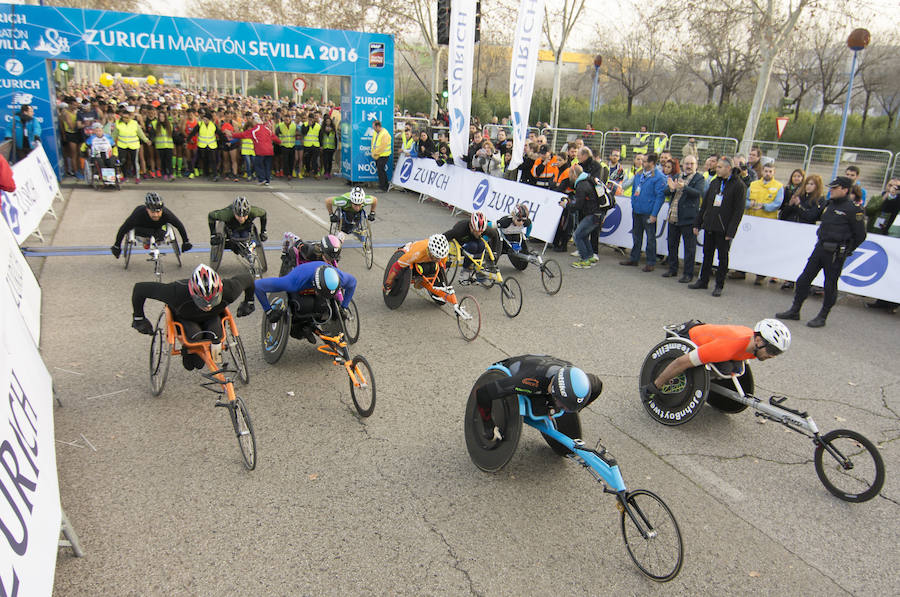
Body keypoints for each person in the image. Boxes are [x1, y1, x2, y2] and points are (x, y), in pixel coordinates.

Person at [776, 176, 866, 328]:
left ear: (845, 190)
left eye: (835, 188)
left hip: (835, 252)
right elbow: (811, 216)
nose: (831, 190)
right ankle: (795, 310)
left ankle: (823, 316)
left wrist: (847, 250)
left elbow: (860, 235)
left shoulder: (853, 209)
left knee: (829, 285)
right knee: (804, 279)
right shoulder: (829, 204)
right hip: (820, 247)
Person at [130, 264, 255, 370]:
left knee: (216, 336)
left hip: (212, 317)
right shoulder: (175, 292)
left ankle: (215, 359)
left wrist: (249, 302)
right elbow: (140, 289)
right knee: (194, 343)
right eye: (202, 301)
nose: (208, 305)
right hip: (186, 318)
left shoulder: (230, 289)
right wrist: (139, 318)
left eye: (213, 300)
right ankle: (190, 352)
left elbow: (248, 279)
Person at [640, 319, 791, 402]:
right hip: (690, 336)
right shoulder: (726, 347)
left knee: (731, 368)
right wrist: (654, 386)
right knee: (724, 368)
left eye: (777, 353)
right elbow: (681, 362)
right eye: (772, 351)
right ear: (758, 340)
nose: (773, 356)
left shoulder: (754, 346)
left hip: (715, 338)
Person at [474, 355, 603, 441]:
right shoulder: (529, 382)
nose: (564, 410)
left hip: (544, 368)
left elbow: (597, 384)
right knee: (539, 407)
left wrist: (575, 407)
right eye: (563, 406)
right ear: (554, 393)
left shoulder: (574, 374)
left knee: (549, 407)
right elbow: (482, 393)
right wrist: (488, 427)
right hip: (516, 370)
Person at [255, 262, 357, 344]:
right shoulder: (293, 282)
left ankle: (314, 320)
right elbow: (258, 285)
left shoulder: (340, 277)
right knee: (301, 307)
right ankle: (302, 328)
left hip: (320, 276)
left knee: (322, 306)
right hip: (301, 280)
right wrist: (268, 311)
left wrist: (343, 307)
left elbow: (353, 282)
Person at [688, 157, 746, 297]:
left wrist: (731, 231)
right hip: (710, 225)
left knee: (722, 257)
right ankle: (703, 280)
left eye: (720, 167)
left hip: (724, 228)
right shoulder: (715, 183)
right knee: (707, 254)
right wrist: (698, 223)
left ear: (728, 168)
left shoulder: (739, 186)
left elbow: (738, 211)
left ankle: (719, 285)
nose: (717, 169)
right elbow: (705, 205)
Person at [620, 153, 666, 271]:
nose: (642, 163)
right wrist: (633, 202)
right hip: (637, 209)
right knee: (636, 236)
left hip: (648, 212)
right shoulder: (639, 173)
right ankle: (634, 258)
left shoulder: (659, 177)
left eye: (645, 161)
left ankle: (650, 262)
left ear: (652, 163)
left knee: (650, 238)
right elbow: (634, 189)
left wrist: (654, 214)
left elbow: (660, 197)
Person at [662, 155, 705, 282]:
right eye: (687, 163)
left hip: (688, 218)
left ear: (696, 165)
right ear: (682, 164)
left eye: (692, 164)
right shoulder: (677, 176)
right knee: (672, 244)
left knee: (689, 248)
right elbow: (666, 191)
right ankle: (672, 269)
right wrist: (671, 188)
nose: (689, 166)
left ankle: (688, 274)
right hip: (673, 216)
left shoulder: (699, 178)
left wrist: (684, 187)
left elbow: (698, 193)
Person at [111, 192, 192, 257]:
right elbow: (124, 228)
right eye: (152, 212)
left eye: (158, 212)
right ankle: (147, 242)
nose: (156, 215)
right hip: (142, 229)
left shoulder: (166, 213)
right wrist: (117, 245)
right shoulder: (139, 213)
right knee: (137, 229)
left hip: (158, 229)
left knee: (161, 233)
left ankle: (153, 241)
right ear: (147, 209)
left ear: (162, 210)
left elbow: (179, 225)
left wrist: (185, 241)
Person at [865, 179, 899, 312]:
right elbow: (873, 210)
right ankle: (881, 300)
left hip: (895, 238)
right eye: (891, 185)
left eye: (897, 187)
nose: (893, 188)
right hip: (884, 236)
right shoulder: (882, 197)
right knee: (883, 268)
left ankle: (893, 303)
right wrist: (888, 196)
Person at [383, 233, 450, 292]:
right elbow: (396, 266)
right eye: (437, 257)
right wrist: (389, 282)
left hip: (425, 259)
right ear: (430, 252)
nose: (439, 260)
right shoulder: (416, 254)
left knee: (434, 267)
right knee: (424, 268)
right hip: (410, 254)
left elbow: (442, 267)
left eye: (440, 257)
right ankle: (419, 278)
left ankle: (426, 277)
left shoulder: (442, 253)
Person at [443, 211, 499, 280]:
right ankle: (465, 269)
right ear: (470, 226)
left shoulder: (483, 229)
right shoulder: (459, 229)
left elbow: (495, 235)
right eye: (476, 231)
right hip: (461, 243)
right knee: (473, 246)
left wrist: (494, 251)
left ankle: (476, 268)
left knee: (482, 245)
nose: (479, 233)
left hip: (474, 240)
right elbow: (443, 237)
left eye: (481, 232)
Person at [569, 164, 604, 268]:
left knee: (577, 235)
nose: (569, 176)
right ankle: (590, 256)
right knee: (583, 235)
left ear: (574, 174)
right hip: (597, 213)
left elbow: (578, 205)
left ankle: (584, 260)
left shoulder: (581, 185)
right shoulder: (588, 180)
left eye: (570, 174)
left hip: (592, 214)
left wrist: (567, 205)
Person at [370, 120, 392, 191]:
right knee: (380, 170)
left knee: (381, 170)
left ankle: (383, 187)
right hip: (378, 155)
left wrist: (375, 153)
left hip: (383, 155)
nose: (373, 129)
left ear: (378, 126)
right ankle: (385, 186)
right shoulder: (376, 133)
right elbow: (373, 142)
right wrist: (373, 152)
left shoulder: (384, 134)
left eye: (374, 127)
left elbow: (383, 147)